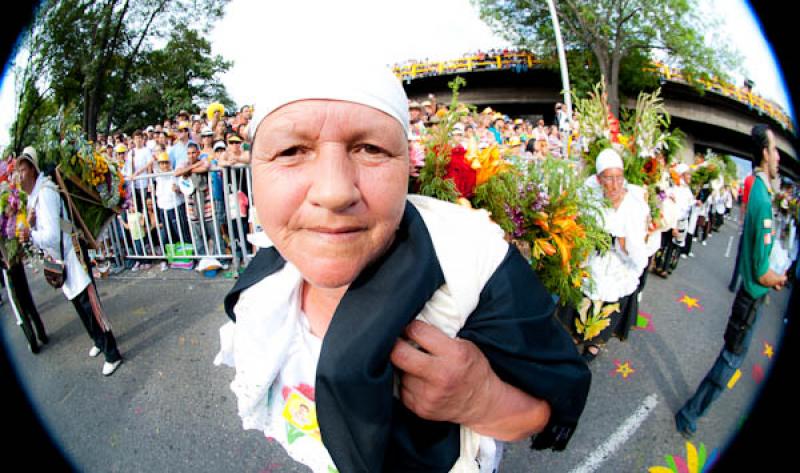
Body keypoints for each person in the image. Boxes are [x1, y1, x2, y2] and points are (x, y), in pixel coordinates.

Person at [214, 61, 590, 473]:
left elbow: (547, 405)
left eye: (370, 149)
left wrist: (481, 397)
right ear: (252, 175)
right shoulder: (262, 291)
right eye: (291, 151)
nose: (335, 191)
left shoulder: (473, 269)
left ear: (407, 167)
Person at [675, 124, 788, 438]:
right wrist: (781, 277)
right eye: (775, 150)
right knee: (729, 362)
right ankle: (689, 414)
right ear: (764, 154)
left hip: (752, 294)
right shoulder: (763, 201)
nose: (779, 157)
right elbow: (762, 271)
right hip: (751, 299)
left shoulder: (762, 193)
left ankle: (691, 411)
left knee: (730, 359)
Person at [17, 147, 123, 376]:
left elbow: (53, 237)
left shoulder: (44, 193)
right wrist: (33, 228)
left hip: (72, 256)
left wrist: (31, 234)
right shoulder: (33, 197)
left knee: (90, 305)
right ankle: (98, 340)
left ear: (33, 170)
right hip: (62, 258)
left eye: (23, 170)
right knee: (78, 303)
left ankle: (112, 353)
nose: (19, 176)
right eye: (17, 171)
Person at [568, 149, 649, 361]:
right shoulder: (591, 197)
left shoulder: (634, 205)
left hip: (619, 264)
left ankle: (595, 343)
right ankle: (577, 335)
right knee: (585, 296)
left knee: (608, 302)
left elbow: (638, 248)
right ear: (598, 179)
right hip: (593, 259)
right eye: (608, 178)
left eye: (618, 178)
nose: (614, 185)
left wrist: (621, 243)